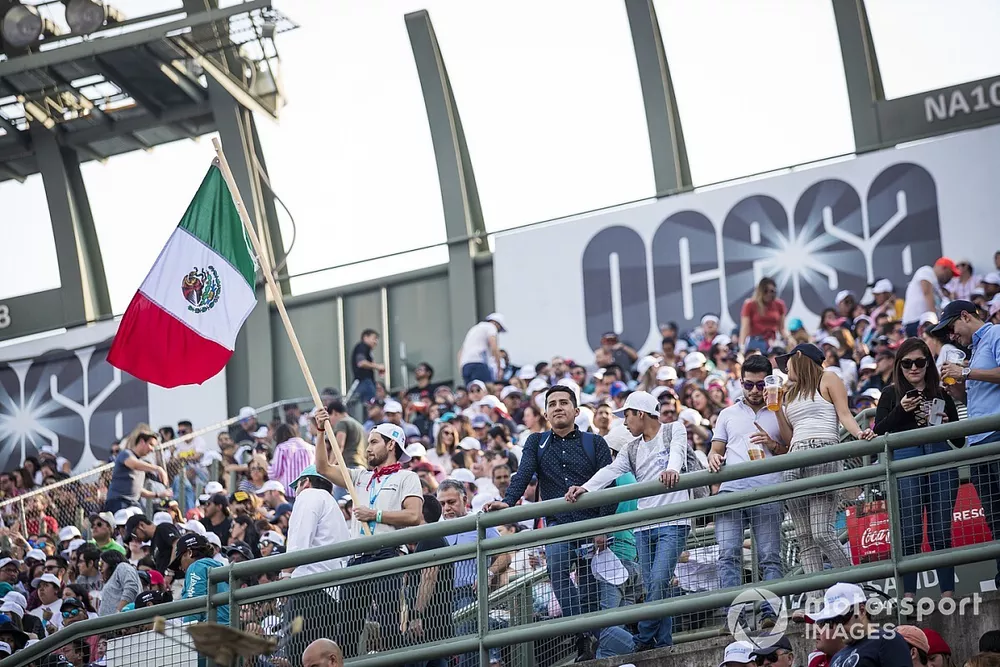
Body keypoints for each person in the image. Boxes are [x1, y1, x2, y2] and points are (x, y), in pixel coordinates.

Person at [486, 385, 614, 662]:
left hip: (592, 524)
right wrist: (508, 502)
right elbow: (523, 474)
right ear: (545, 414)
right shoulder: (536, 442)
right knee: (557, 570)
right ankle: (581, 635)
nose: (558, 407)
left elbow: (609, 484)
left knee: (590, 588)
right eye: (552, 404)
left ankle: (592, 643)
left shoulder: (596, 443)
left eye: (563, 402)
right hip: (558, 525)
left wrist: (603, 527)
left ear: (576, 411)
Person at [566, 391, 687, 649]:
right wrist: (585, 487)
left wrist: (672, 469)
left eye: (627, 416)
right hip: (644, 527)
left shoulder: (674, 429)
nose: (625, 422)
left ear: (641, 414)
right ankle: (663, 645)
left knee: (658, 582)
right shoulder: (631, 448)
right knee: (657, 588)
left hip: (674, 521)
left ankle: (642, 640)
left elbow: (677, 452)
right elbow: (609, 470)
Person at [313, 409, 422, 657]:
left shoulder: (407, 477)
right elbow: (322, 467)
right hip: (357, 558)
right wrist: (321, 432)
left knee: (390, 626)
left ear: (391, 444)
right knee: (347, 632)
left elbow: (414, 516)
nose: (368, 448)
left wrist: (376, 515)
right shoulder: (360, 476)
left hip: (387, 555)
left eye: (373, 442)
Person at [873, 338, 963, 600]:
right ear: (899, 365)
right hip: (905, 459)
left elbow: (959, 440)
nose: (914, 368)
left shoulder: (942, 393)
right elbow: (878, 430)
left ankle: (947, 593)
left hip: (940, 458)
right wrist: (901, 410)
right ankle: (909, 596)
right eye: (907, 363)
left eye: (920, 362)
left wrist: (948, 424)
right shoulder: (890, 393)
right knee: (909, 530)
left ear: (928, 364)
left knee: (940, 530)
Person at [775, 344, 874, 582]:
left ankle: (855, 587)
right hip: (795, 456)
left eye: (787, 362)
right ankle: (817, 598)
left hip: (823, 451)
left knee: (821, 533)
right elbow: (789, 438)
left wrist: (859, 433)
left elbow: (845, 414)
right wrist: (777, 410)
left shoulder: (828, 378)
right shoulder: (790, 393)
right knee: (804, 538)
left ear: (799, 357)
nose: (785, 369)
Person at [707, 354, 786, 622]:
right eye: (749, 384)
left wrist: (772, 444)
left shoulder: (780, 411)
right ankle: (734, 617)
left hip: (768, 489)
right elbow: (716, 449)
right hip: (731, 491)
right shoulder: (727, 414)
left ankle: (771, 614)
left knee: (769, 556)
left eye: (760, 385)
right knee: (728, 554)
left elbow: (791, 449)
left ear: (769, 383)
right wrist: (713, 458)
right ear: (741, 383)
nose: (754, 390)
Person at [935, 299, 1000, 585]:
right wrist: (956, 388)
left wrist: (965, 372)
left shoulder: (996, 333)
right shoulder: (973, 351)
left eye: (951, 328)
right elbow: (974, 397)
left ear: (965, 316)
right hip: (979, 443)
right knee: (994, 516)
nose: (951, 336)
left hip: (996, 437)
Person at [437, 480, 509, 667]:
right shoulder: (435, 529)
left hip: (468, 592)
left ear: (464, 500)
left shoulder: (479, 522)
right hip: (439, 599)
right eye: (442, 504)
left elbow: (505, 556)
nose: (446, 508)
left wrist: (488, 573)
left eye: (451, 502)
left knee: (468, 640)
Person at [282, 464, 350, 661]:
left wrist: (285, 575)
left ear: (306, 482)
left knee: (299, 658)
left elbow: (298, 545)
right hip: (331, 595)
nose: (296, 492)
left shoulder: (309, 495)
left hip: (308, 592)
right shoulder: (333, 507)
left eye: (297, 486)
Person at [805, 583, 910, 666]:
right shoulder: (837, 657)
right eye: (831, 622)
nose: (838, 628)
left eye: (841, 619)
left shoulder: (886, 640)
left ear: (861, 610)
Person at [104, 427, 170, 512]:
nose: (152, 449)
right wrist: (158, 469)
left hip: (133, 503)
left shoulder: (141, 464)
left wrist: (158, 494)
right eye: (151, 444)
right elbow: (134, 464)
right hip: (118, 501)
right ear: (142, 441)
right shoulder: (126, 454)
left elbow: (138, 490)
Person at [169, 532, 229, 624]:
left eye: (180, 561)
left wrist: (188, 630)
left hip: (211, 630)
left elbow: (194, 606)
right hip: (226, 628)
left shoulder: (196, 567)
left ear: (189, 553)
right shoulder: (217, 567)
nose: (180, 568)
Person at [902, 257, 958, 337]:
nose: (950, 278)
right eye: (950, 274)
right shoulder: (927, 271)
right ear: (944, 268)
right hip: (916, 321)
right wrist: (934, 320)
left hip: (923, 321)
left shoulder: (937, 284)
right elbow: (927, 292)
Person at [739, 277, 789, 352]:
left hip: (773, 342)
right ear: (760, 291)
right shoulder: (750, 304)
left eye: (772, 291)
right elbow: (745, 328)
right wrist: (742, 346)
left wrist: (789, 338)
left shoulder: (779, 304)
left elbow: (782, 328)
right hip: (756, 342)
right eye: (765, 291)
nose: (769, 294)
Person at [268, 423, 316, 497]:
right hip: (308, 492)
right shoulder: (312, 448)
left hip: (288, 493)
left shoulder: (282, 448)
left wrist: (263, 463)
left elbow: (274, 474)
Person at [458, 313, 507, 385]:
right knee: (487, 387)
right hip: (479, 363)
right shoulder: (491, 327)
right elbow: (494, 347)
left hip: (466, 366)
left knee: (471, 389)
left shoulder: (474, 329)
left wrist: (461, 368)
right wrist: (498, 367)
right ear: (498, 324)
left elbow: (460, 352)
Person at [96, 551, 140, 616]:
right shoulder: (111, 579)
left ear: (111, 561)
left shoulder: (122, 566)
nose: (99, 568)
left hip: (121, 619)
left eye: (101, 564)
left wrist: (119, 613)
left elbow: (131, 588)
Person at [327, 399, 366, 468]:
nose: (331, 423)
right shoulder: (360, 426)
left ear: (334, 412)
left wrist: (330, 466)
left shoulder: (342, 423)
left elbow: (339, 445)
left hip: (349, 466)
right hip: (362, 466)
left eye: (329, 419)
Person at [352, 329, 384, 405]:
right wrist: (378, 366)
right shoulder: (362, 347)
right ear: (365, 337)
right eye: (374, 338)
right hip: (364, 381)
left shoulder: (365, 349)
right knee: (370, 404)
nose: (376, 342)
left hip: (365, 381)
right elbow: (361, 363)